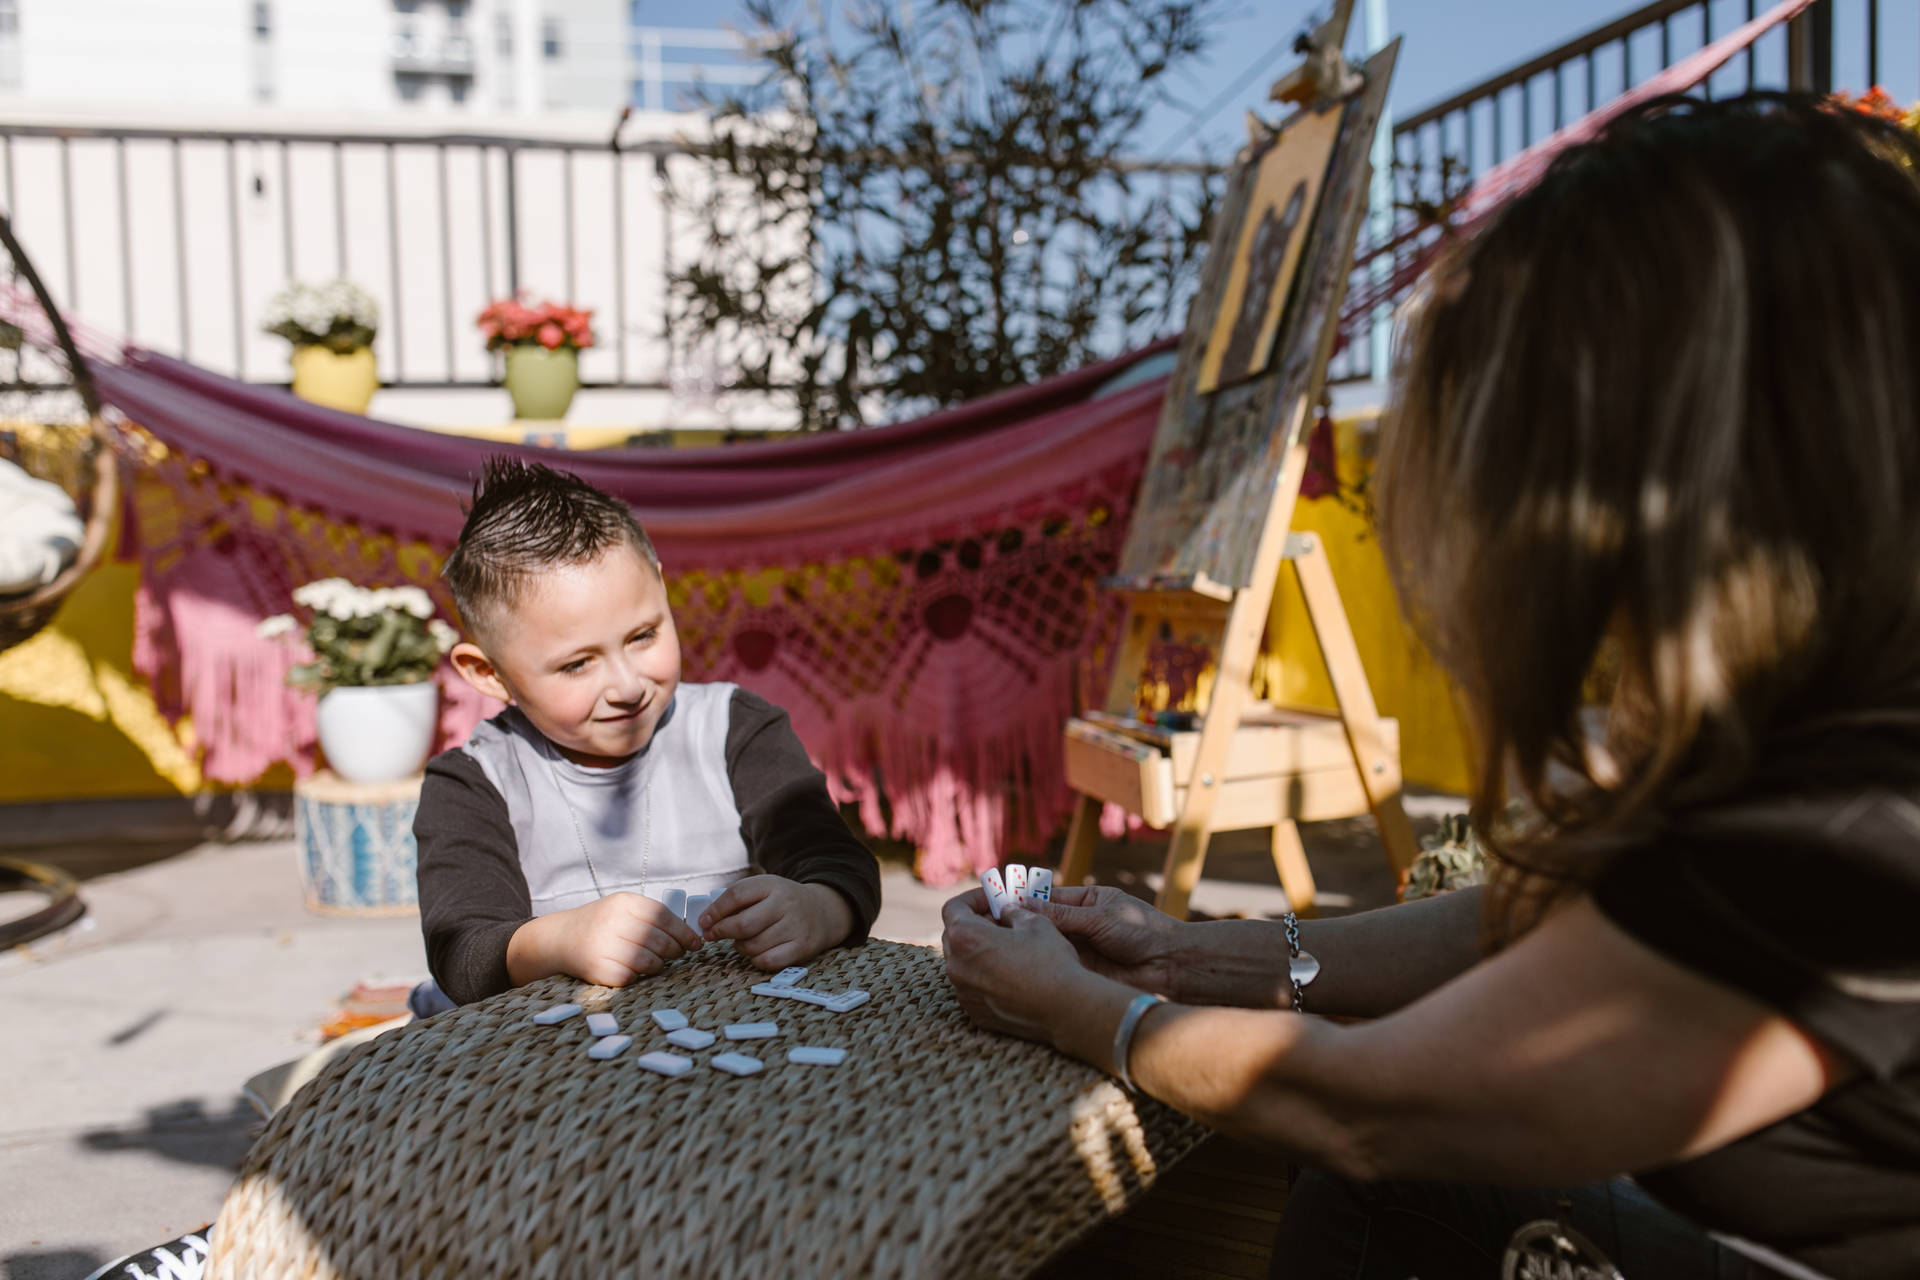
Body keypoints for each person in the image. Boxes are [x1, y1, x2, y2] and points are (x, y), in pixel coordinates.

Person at [943, 93, 1920, 1279]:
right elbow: (1553, 912)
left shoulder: (1850, 829)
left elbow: (1380, 1106)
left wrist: (1087, 1013)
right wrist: (1189, 954)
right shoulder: (1828, 718)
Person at [415, 458, 881, 1005]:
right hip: (543, 1052)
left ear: (661, 590)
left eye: (642, 636)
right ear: (489, 674)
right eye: (576, 665)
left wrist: (819, 908)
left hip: (720, 1031)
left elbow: (839, 861)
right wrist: (560, 939)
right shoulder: (475, 782)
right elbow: (461, 950)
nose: (627, 685)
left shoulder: (736, 729)